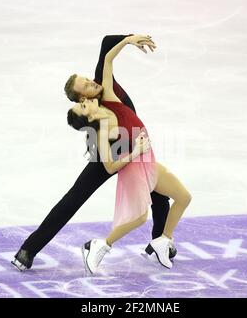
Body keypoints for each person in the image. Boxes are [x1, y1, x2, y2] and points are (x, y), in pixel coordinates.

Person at [12, 34, 177, 271]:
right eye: (86, 85)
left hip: (133, 144)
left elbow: (106, 43)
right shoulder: (94, 120)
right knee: (74, 198)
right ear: (83, 98)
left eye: (88, 78)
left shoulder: (103, 81)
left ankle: (158, 243)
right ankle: (28, 250)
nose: (92, 81)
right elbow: (100, 146)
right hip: (111, 150)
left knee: (160, 197)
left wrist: (130, 38)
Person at [67, 36, 192, 274]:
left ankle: (163, 240)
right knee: (139, 218)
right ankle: (99, 246)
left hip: (149, 161)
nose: (86, 101)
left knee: (183, 197)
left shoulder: (110, 99)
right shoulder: (103, 133)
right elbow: (111, 166)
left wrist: (128, 41)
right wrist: (135, 151)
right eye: (82, 106)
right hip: (135, 167)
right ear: (88, 118)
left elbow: (108, 59)